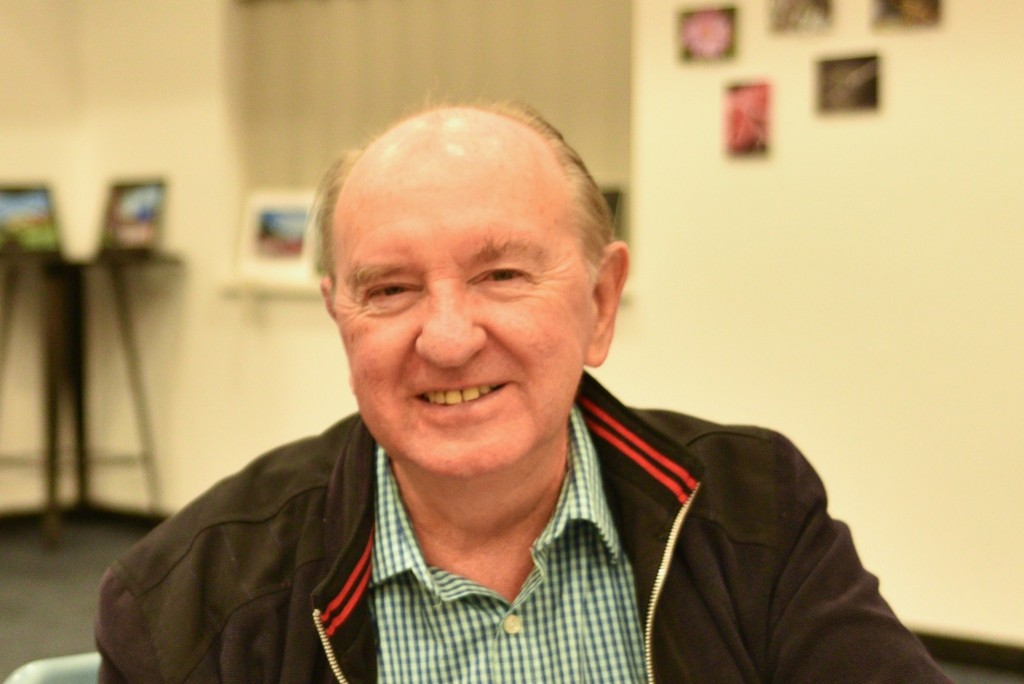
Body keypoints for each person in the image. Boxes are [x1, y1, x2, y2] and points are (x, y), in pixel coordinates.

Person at [95, 102, 951, 683]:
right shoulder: (189, 595)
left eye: (502, 274)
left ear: (600, 303)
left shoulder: (752, 508)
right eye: (390, 289)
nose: (449, 337)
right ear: (339, 317)